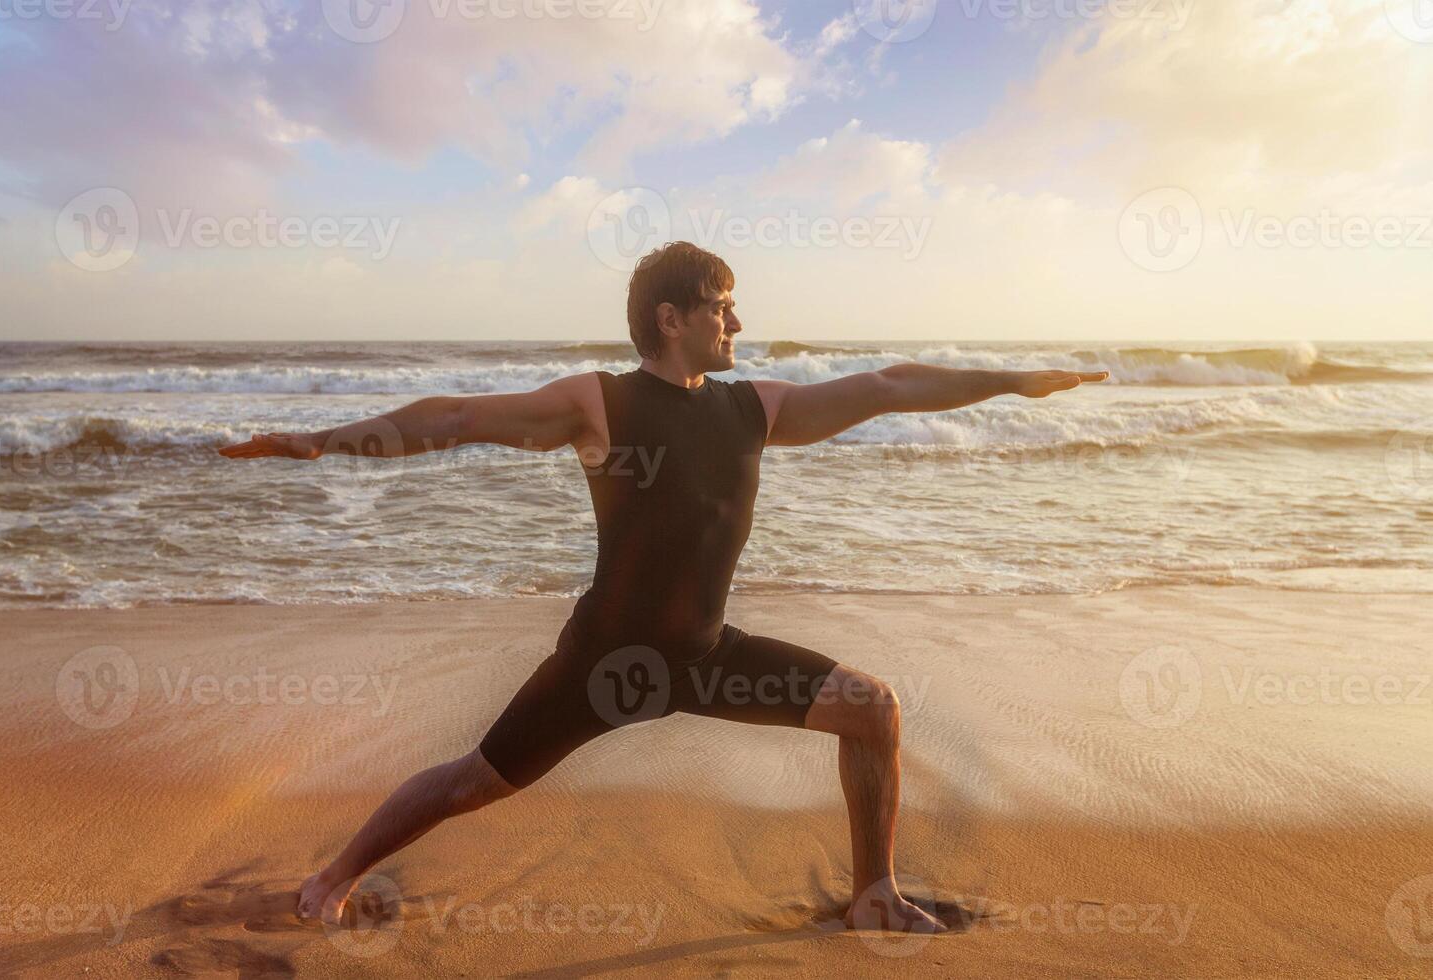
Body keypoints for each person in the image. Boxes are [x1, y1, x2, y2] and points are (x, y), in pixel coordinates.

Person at [219, 242, 1108, 934]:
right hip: (605, 664)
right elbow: (455, 419)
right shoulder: (597, 404)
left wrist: (1011, 383)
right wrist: (323, 440)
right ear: (671, 316)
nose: (739, 321)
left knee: (872, 709)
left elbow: (885, 386)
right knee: (468, 786)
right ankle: (330, 880)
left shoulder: (753, 409)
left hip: (707, 658)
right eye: (723, 307)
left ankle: (873, 892)